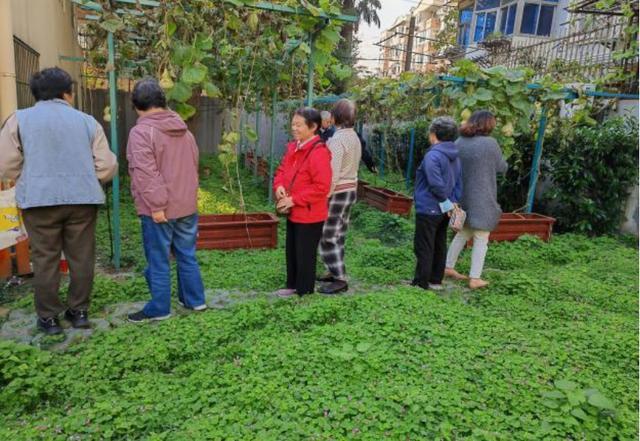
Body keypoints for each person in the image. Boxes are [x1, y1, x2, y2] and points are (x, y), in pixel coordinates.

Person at [0, 67, 117, 335]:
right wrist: (89, 178)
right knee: (82, 257)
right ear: (68, 93)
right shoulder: (88, 121)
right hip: (83, 200)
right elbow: (107, 165)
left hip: (39, 201)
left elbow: (5, 164)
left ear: (36, 94)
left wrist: (29, 177)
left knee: (44, 259)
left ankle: (49, 318)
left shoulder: (19, 119)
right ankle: (79, 312)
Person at [125, 78, 206, 323]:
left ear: (137, 105)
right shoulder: (185, 131)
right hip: (186, 205)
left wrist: (158, 206)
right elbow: (193, 166)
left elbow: (145, 174)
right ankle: (195, 300)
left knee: (158, 259)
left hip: (159, 209)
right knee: (186, 254)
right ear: (163, 101)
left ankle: (160, 308)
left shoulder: (141, 132)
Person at [445, 110, 507, 289]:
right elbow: (501, 167)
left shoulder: (459, 142)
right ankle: (475, 278)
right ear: (488, 124)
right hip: (482, 196)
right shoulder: (490, 143)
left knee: (463, 231)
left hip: (462, 194)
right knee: (481, 235)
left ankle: (448, 267)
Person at [273, 108, 332, 298]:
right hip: (294, 211)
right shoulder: (294, 147)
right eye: (293, 124)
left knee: (305, 255)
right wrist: (279, 186)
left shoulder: (319, 153)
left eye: (299, 125)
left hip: (310, 214)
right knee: (292, 251)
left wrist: (294, 199)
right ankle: (292, 286)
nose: (294, 128)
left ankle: (305, 293)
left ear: (313, 127)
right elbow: (282, 170)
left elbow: (322, 187)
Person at [412, 116, 462, 291]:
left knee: (424, 245)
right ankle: (435, 280)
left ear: (433, 134)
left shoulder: (433, 155)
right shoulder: (455, 155)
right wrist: (452, 202)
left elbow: (435, 183)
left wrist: (446, 202)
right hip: (444, 210)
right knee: (439, 243)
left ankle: (421, 282)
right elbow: (458, 182)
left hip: (429, 207)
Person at [318, 99, 361, 294]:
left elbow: (332, 173)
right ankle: (332, 270)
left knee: (328, 235)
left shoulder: (337, 140)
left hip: (337, 190)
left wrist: (326, 193)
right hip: (350, 189)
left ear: (334, 118)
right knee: (339, 233)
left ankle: (340, 277)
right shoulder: (354, 136)